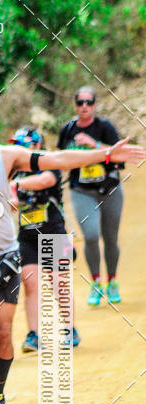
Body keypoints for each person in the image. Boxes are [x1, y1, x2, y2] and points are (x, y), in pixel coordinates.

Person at [0, 103, 144, 404]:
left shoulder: (7, 157)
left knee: (10, 327)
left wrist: (105, 155)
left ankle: (0, 394)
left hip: (23, 246)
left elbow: (58, 162)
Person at [8, 126, 80, 351]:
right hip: (27, 236)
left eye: (23, 144)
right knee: (30, 283)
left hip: (54, 232)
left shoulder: (50, 164)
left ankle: (70, 329)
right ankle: (34, 335)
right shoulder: (14, 172)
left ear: (37, 145)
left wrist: (14, 186)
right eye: (16, 145)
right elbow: (10, 201)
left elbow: (44, 181)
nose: (18, 150)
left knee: (59, 283)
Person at [57, 87, 126, 306]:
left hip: (110, 189)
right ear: (74, 105)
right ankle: (96, 282)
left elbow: (119, 157)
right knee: (91, 235)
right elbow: (60, 160)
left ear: (95, 105)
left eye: (89, 102)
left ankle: (112, 281)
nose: (84, 106)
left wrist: (93, 145)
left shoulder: (105, 127)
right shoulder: (66, 130)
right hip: (81, 191)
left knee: (110, 238)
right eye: (80, 102)